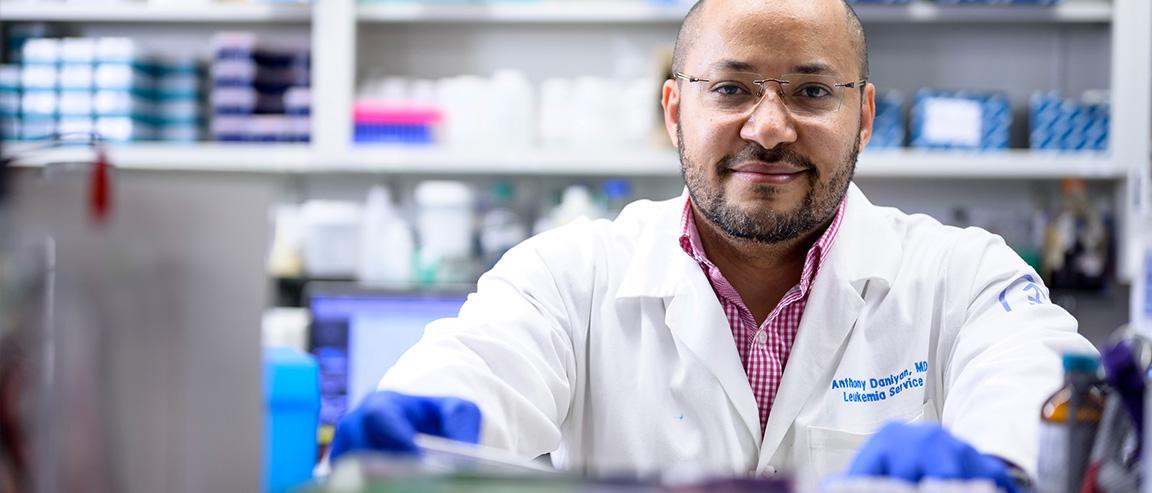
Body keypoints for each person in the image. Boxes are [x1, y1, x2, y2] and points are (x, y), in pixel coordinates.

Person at [330, 0, 1095, 489]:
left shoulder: (961, 276)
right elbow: (478, 366)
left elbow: (1036, 382)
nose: (768, 127)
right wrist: (424, 422)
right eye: (731, 89)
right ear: (674, 110)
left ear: (863, 118)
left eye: (811, 90)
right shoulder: (569, 274)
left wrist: (1003, 466)